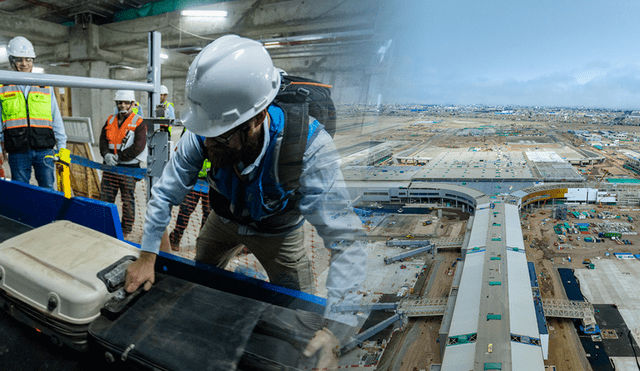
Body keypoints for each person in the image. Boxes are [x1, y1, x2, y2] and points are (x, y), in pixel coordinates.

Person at [125, 35, 366, 365]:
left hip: (279, 232)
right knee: (200, 280)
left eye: (221, 136)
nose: (208, 146)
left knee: (300, 312)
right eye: (205, 133)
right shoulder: (205, 132)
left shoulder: (309, 149)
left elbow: (346, 240)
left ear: (256, 119)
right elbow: (165, 193)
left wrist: (335, 329)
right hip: (222, 222)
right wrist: (148, 254)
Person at [0, 36, 67, 190]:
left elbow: (56, 118)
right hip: (17, 151)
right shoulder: (3, 86)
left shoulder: (45, 85)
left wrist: (62, 147)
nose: (24, 63)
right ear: (12, 61)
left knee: (48, 189)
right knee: (21, 191)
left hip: (44, 150)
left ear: (33, 60)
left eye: (28, 59)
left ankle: (48, 215)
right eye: (19, 59)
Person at [100, 90, 147, 236]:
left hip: (128, 169)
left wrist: (119, 157)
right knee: (106, 198)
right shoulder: (110, 120)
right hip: (110, 167)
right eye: (119, 102)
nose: (122, 105)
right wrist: (106, 154)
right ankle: (105, 225)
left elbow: (139, 146)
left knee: (127, 201)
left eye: (126, 102)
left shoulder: (138, 121)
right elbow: (102, 140)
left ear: (133, 104)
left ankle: (125, 229)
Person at [169, 157, 211, 251]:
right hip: (194, 181)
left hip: (211, 184)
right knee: (186, 209)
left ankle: (202, 244)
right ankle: (175, 239)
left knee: (208, 214)